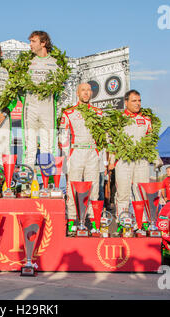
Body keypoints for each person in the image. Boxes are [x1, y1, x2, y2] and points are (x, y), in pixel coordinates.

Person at [108, 89, 162, 222]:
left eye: (139, 101)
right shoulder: (118, 119)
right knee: (123, 193)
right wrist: (111, 160)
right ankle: (122, 223)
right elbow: (111, 142)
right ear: (126, 102)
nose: (137, 104)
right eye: (134, 101)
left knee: (141, 192)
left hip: (141, 161)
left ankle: (141, 223)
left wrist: (156, 158)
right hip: (123, 161)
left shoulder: (146, 120)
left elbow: (151, 142)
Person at [59, 83, 103, 235]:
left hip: (92, 152)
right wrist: (66, 158)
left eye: (88, 90)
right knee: (72, 189)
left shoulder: (98, 113)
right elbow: (63, 136)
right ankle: (72, 221)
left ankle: (93, 222)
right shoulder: (69, 112)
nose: (86, 93)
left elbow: (104, 137)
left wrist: (102, 157)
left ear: (92, 93)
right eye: (83, 90)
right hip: (76, 152)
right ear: (77, 93)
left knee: (94, 189)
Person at [22, 31, 59, 169]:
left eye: (33, 41)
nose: (30, 44)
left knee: (47, 147)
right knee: (30, 146)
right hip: (30, 107)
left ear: (43, 43)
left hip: (47, 108)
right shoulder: (27, 63)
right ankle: (27, 185)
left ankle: (47, 186)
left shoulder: (55, 63)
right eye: (30, 41)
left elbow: (59, 88)